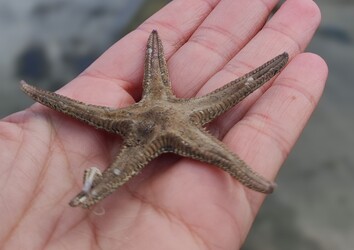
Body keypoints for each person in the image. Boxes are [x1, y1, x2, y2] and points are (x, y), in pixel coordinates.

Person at [0, 0, 328, 249]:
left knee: (237, 100)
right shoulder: (151, 106)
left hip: (171, 117)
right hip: (164, 118)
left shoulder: (165, 100)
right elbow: (71, 104)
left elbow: (240, 86)